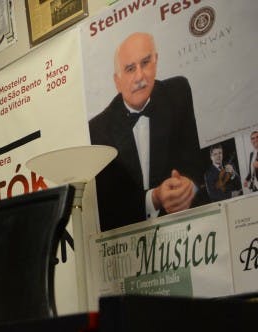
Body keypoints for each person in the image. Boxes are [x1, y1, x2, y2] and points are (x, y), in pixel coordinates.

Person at [88, 32, 208, 232]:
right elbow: (109, 209)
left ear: (156, 62)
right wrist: (154, 198)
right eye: (129, 69)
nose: (139, 76)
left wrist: (189, 186)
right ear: (117, 81)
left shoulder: (178, 93)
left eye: (145, 63)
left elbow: (195, 165)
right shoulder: (99, 129)